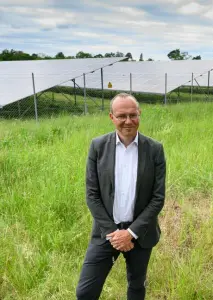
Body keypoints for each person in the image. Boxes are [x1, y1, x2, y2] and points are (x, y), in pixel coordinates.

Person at [76, 93, 166, 300]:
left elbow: (157, 198)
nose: (128, 121)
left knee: (136, 287)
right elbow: (92, 194)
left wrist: (131, 233)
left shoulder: (155, 149)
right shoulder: (98, 147)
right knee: (85, 292)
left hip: (141, 234)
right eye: (121, 116)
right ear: (111, 117)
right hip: (107, 232)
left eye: (133, 115)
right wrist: (115, 234)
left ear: (139, 114)